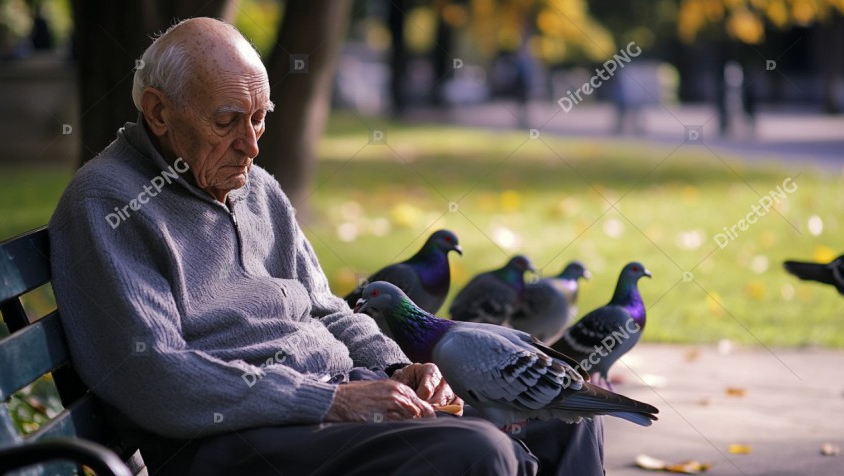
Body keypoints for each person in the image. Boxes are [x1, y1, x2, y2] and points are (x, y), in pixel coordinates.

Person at [49, 17, 604, 475]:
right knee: (478, 453)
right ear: (159, 111)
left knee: (569, 418)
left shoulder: (257, 190)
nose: (249, 144)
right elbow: (156, 375)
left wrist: (394, 367)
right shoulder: (107, 204)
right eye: (226, 122)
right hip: (230, 444)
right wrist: (331, 403)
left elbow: (328, 310)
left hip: (326, 408)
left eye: (260, 119)